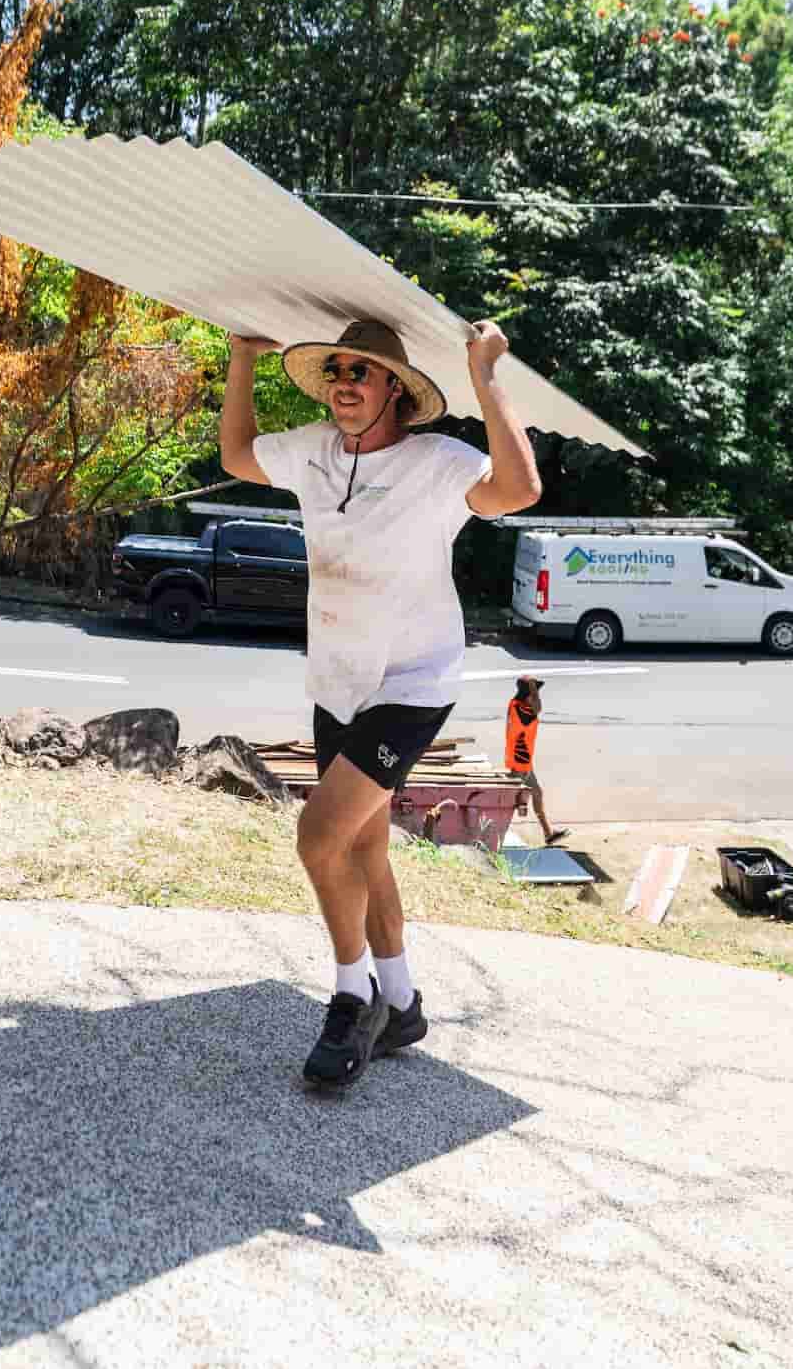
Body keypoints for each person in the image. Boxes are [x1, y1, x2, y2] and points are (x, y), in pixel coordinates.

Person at [221, 315, 542, 1090]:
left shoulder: (439, 463)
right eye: (335, 370)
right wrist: (238, 362)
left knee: (317, 838)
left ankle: (349, 994)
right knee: (362, 847)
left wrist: (485, 374)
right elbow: (236, 454)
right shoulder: (308, 451)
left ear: (394, 388)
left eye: (360, 372)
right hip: (337, 681)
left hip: (411, 684)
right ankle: (400, 1003)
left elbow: (519, 489)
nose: (343, 382)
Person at [504, 676, 568, 847]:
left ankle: (548, 833)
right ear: (529, 694)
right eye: (535, 692)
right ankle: (547, 833)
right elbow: (538, 708)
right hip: (520, 761)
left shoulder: (515, 704)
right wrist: (533, 689)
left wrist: (531, 689)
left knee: (531, 794)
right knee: (518, 797)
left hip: (520, 759)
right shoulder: (523, 711)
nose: (538, 695)